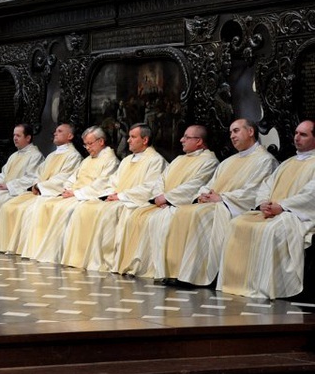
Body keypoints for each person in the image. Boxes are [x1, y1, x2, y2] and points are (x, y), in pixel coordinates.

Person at [156, 118, 278, 286]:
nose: (232, 136)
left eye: (236, 131)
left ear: (250, 132)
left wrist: (222, 198)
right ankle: (176, 271)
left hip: (233, 207)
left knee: (199, 214)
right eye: (230, 133)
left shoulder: (265, 160)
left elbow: (254, 191)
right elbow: (208, 185)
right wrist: (202, 195)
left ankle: (194, 275)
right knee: (183, 211)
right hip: (216, 204)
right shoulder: (228, 162)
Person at [217, 120, 315, 299]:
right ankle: (238, 282)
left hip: (296, 216)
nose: (297, 138)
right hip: (272, 211)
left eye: (303, 134)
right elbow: (266, 185)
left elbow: (310, 195)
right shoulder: (288, 163)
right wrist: (263, 202)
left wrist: (283, 206)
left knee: (271, 230)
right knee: (237, 223)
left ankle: (268, 286)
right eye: (296, 133)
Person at [114, 125, 219, 277]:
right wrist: (159, 196)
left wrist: (168, 198)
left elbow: (195, 184)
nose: (181, 140)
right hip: (163, 203)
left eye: (186, 137)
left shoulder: (209, 161)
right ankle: (141, 265)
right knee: (137, 215)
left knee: (159, 219)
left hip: (179, 204)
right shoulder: (179, 159)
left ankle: (163, 269)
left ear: (199, 141)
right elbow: (161, 180)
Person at [59, 123, 167, 271]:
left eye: (132, 137)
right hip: (118, 199)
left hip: (133, 201)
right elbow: (113, 182)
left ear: (145, 140)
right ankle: (86, 258)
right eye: (129, 136)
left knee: (103, 212)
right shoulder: (127, 160)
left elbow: (150, 187)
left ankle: (109, 261)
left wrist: (121, 195)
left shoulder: (155, 160)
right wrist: (110, 194)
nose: (128, 140)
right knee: (88, 208)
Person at [18, 126, 119, 261]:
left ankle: (63, 254)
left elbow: (102, 184)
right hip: (75, 195)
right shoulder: (88, 160)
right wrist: (68, 189)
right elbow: (72, 178)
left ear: (101, 142)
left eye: (90, 144)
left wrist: (76, 193)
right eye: (85, 144)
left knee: (62, 209)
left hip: (88, 197)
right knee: (47, 205)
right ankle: (45, 251)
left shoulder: (110, 160)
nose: (87, 148)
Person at [0, 123, 83, 253]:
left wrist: (40, 186)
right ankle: (9, 246)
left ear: (70, 136)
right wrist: (36, 184)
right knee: (8, 207)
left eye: (59, 131)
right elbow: (39, 174)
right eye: (55, 131)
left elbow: (63, 178)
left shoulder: (73, 156)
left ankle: (28, 248)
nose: (55, 133)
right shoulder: (51, 155)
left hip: (52, 193)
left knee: (26, 210)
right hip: (39, 192)